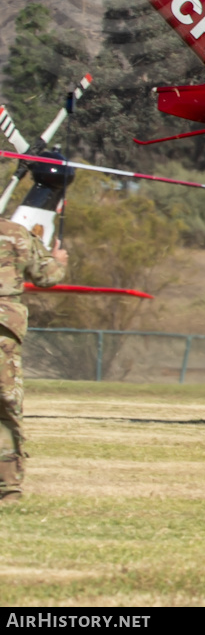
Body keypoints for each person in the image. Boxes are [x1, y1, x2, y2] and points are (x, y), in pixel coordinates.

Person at [0, 210, 66, 503]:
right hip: (3, 327)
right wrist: (59, 260)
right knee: (5, 407)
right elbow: (47, 276)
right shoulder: (17, 233)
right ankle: (9, 489)